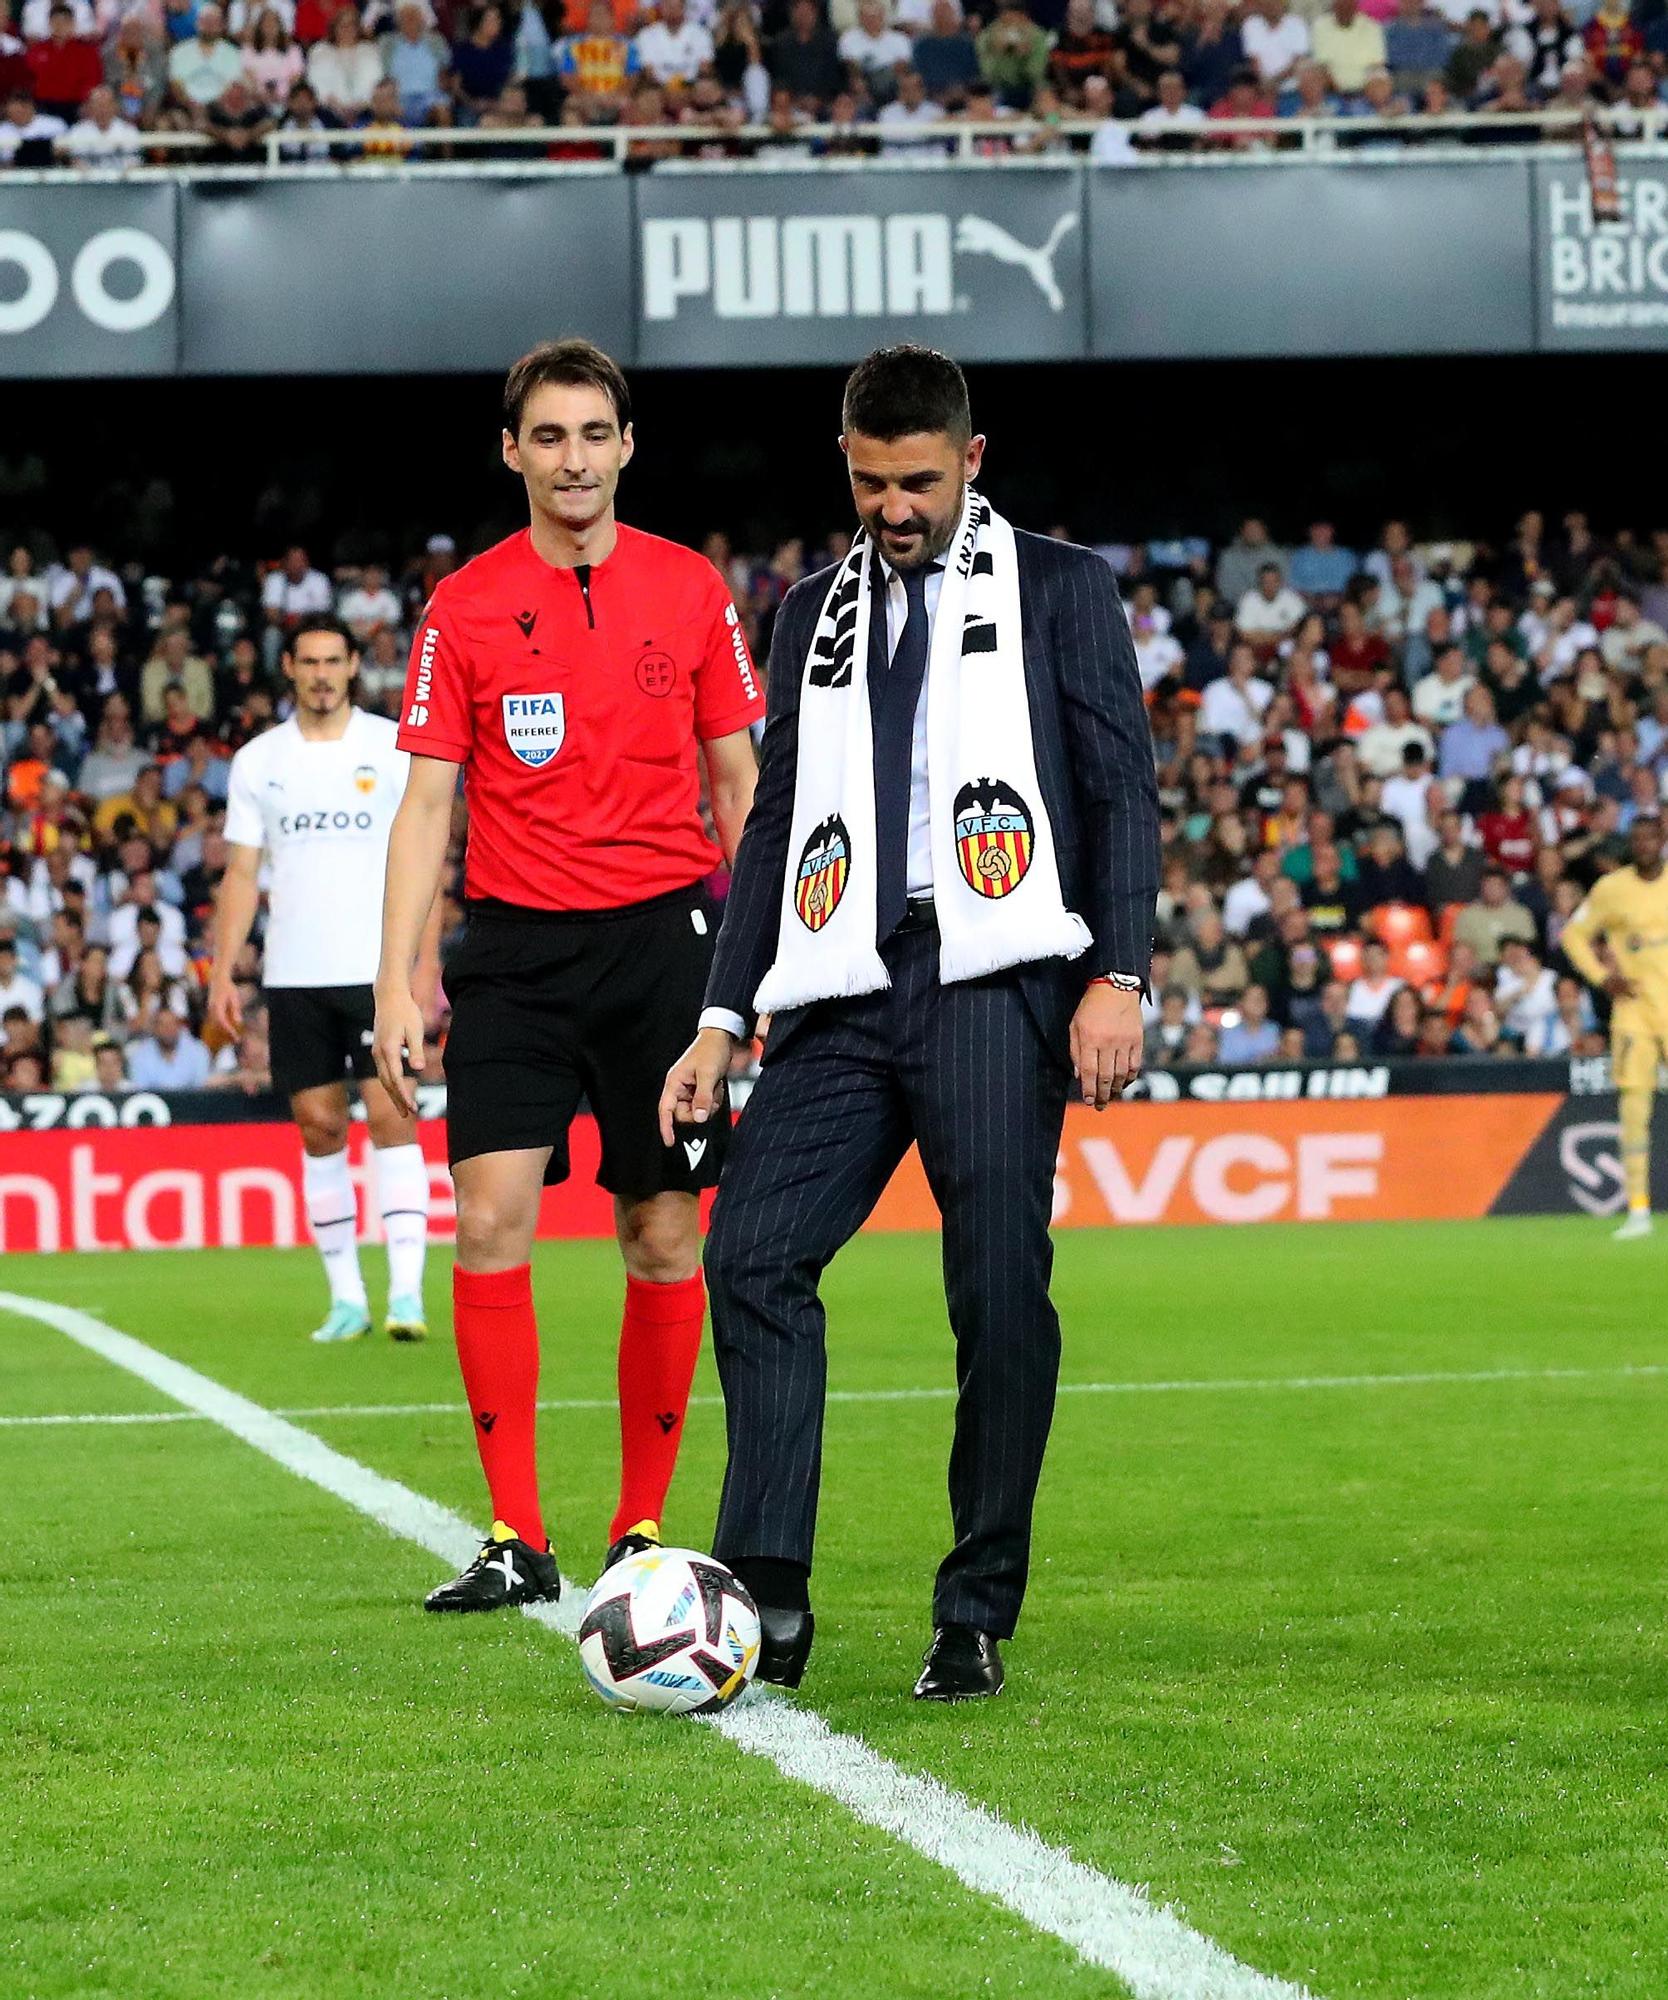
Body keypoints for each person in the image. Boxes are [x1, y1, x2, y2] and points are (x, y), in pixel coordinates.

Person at [660, 346, 1159, 1701]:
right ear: (846, 465)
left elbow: (1122, 791)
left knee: (997, 1294)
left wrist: (1123, 974)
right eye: (873, 482)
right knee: (753, 1249)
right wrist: (719, 1018)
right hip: (838, 981)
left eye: (920, 482)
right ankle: (765, 1587)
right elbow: (772, 826)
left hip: (995, 973)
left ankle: (974, 1607)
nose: (896, 507)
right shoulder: (808, 610)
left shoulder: (1062, 587)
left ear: (972, 462)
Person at [374, 339, 762, 1616]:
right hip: (518, 955)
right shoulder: (464, 607)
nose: (574, 457)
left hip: (664, 946)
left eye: (594, 433)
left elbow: (740, 787)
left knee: (662, 1231)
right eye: (549, 436)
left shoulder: (690, 588)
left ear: (626, 445)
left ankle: (639, 1522)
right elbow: (427, 801)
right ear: (513, 452)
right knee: (489, 1222)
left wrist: (757, 964)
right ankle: (514, 1533)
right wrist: (398, 977)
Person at [210, 615, 436, 1343]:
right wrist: (223, 970)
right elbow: (242, 875)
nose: (321, 674)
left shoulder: (391, 746)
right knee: (319, 1126)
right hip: (295, 973)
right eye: (308, 662)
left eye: (333, 661)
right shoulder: (257, 761)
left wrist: (424, 963)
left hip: (377, 972)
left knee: (394, 1116)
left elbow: (427, 859)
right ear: (289, 668)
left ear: (351, 668)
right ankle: (347, 1299)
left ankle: (406, 1294)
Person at [1560, 813, 1668, 1241]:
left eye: (1651, 836)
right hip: (1635, 1012)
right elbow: (1573, 936)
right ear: (1629, 844)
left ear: (1662, 839)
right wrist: (1604, 979)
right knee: (1635, 1109)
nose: (1644, 844)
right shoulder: (1611, 889)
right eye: (1636, 838)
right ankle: (1638, 1210)